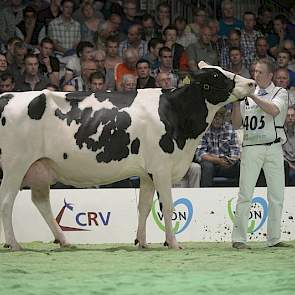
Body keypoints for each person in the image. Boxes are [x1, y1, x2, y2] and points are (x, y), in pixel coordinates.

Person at [231, 58, 291, 249]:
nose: (255, 75)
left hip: (274, 147)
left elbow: (273, 110)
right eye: (254, 71)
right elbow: (236, 124)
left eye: (260, 72)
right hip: (251, 147)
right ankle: (239, 239)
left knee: (276, 195)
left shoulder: (280, 92)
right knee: (245, 194)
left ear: (270, 75)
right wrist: (235, 101)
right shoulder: (247, 95)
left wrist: (253, 96)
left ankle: (274, 238)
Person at [196, 107, 241, 187]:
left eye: (220, 118)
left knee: (240, 165)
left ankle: (240, 194)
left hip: (225, 164)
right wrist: (217, 160)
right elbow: (199, 153)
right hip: (210, 163)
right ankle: (206, 194)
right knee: (207, 166)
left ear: (224, 118)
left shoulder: (229, 129)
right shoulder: (204, 129)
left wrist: (230, 160)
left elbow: (236, 151)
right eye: (214, 117)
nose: (217, 120)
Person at [283, 106, 295, 186]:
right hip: (287, 164)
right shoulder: (280, 133)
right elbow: (281, 155)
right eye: (288, 116)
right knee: (291, 174)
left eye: (292, 115)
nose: (290, 118)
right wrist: (291, 166)